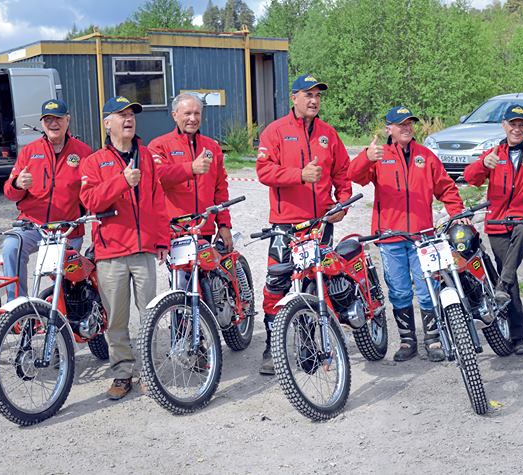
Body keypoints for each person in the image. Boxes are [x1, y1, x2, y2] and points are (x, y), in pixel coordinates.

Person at [349, 106, 465, 362]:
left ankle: (433, 340)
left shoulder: (426, 156)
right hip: (390, 237)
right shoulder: (379, 155)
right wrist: (366, 157)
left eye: (410, 123)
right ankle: (407, 341)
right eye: (400, 124)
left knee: (427, 289)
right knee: (399, 291)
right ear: (388, 128)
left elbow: (446, 188)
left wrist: (457, 214)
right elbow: (354, 176)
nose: (406, 128)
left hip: (422, 237)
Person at [256, 74, 352, 374]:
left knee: (316, 283)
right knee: (276, 284)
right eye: (308, 94)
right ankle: (272, 346)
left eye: (318, 95)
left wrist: (342, 204)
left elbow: (342, 173)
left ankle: (310, 346)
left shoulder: (328, 134)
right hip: (285, 226)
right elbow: (263, 171)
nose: (313, 100)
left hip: (320, 224)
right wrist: (298, 175)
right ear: (293, 98)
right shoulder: (274, 131)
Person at [80, 96, 170, 399]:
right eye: (121, 114)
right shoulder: (93, 162)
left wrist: (162, 240)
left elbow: (158, 202)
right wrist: (121, 181)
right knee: (116, 319)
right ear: (108, 123)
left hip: (144, 249)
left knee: (150, 314)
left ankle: (149, 371)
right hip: (111, 254)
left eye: (131, 114)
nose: (128, 118)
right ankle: (122, 374)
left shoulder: (146, 156)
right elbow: (90, 201)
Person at [463, 104, 523, 355]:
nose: (517, 128)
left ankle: (502, 287)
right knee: (510, 277)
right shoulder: (495, 152)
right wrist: (483, 164)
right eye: (512, 124)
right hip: (496, 223)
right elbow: (469, 177)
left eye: (522, 124)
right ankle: (519, 336)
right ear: (504, 125)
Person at [1, 99, 93, 299]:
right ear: (42, 123)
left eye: (58, 118)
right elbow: (9, 192)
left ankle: (67, 319)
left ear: (67, 120)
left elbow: (92, 193)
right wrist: (17, 184)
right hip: (33, 226)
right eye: (48, 119)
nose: (53, 124)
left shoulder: (83, 152)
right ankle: (17, 307)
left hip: (67, 229)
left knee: (68, 283)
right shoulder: (30, 151)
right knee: (11, 246)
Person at [149, 93, 233, 249]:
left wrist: (224, 224)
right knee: (180, 273)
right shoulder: (159, 145)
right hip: (175, 229)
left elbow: (220, 189)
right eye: (187, 113)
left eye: (197, 113)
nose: (193, 119)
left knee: (209, 272)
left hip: (204, 227)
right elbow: (157, 177)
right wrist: (190, 168)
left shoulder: (212, 147)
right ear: (175, 115)